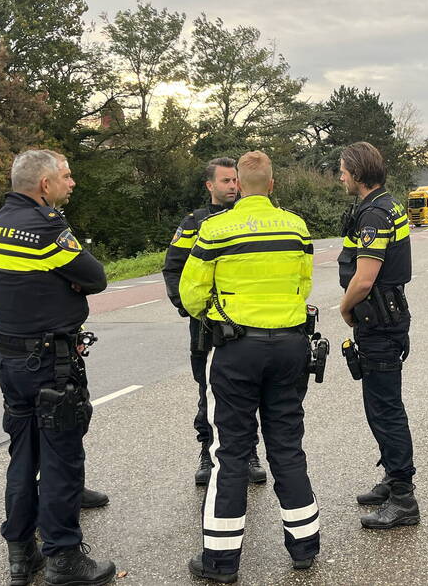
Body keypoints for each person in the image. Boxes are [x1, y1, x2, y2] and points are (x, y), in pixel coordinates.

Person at [180, 151, 319, 583]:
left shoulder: (216, 228)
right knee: (287, 446)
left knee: (231, 452)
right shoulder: (296, 226)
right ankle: (304, 548)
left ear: (237, 184)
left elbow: (191, 293)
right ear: (273, 185)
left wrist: (218, 316)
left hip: (238, 349)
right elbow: (305, 281)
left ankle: (220, 562)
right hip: (291, 346)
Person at [0, 149, 115, 586]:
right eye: (66, 176)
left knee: (23, 456)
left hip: (11, 361)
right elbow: (95, 277)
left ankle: (22, 554)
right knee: (60, 459)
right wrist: (68, 281)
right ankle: (64, 558)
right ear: (44, 185)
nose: (71, 183)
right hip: (52, 365)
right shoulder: (46, 226)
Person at [162, 157, 267, 487]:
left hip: (246, 322)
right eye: (225, 181)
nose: (233, 186)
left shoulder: (247, 218)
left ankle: (249, 453)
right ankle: (207, 453)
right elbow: (173, 268)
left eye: (235, 180)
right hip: (207, 327)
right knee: (207, 391)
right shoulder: (193, 223)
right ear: (210, 186)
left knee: (249, 391)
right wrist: (191, 309)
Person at [337, 141, 420, 530]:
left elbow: (365, 277)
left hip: (378, 323)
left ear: (357, 172)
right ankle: (392, 478)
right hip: (388, 318)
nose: (340, 176)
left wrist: (343, 307)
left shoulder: (373, 214)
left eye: (342, 169)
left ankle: (403, 498)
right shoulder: (388, 204)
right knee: (383, 406)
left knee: (384, 410)